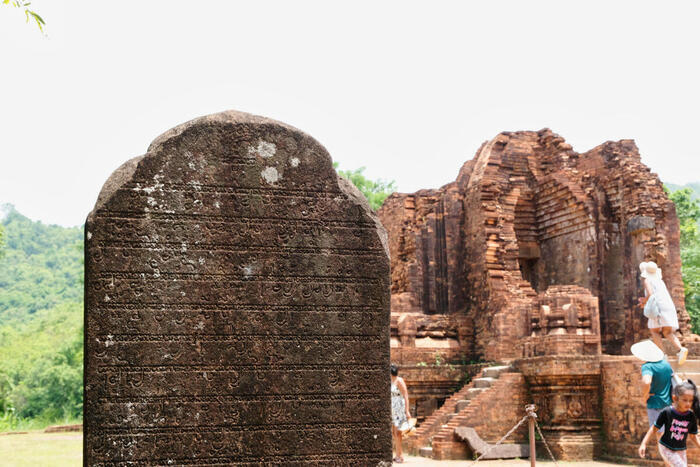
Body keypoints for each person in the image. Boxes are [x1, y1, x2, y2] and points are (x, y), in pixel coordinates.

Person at [639, 380, 700, 466]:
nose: (688, 403)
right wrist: (644, 444)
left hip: (681, 449)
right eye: (685, 400)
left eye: (691, 401)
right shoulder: (667, 412)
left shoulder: (691, 416)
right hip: (666, 447)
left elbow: (693, 436)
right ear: (675, 398)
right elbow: (654, 428)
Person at [640, 261, 688, 365]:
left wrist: (644, 301)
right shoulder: (659, 281)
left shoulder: (647, 280)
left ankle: (661, 355)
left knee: (654, 331)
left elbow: (650, 294)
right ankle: (680, 349)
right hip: (668, 306)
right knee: (667, 332)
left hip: (658, 307)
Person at [632, 340, 674, 429]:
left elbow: (647, 381)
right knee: (667, 430)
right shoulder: (666, 365)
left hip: (655, 403)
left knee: (658, 432)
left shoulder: (648, 366)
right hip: (668, 402)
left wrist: (645, 395)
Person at [390, 363, 411, 464]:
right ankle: (397, 454)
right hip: (393, 409)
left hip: (400, 409)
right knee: (394, 433)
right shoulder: (390, 381)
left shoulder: (399, 381)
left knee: (398, 433)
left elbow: (405, 395)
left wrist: (407, 410)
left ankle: (400, 455)